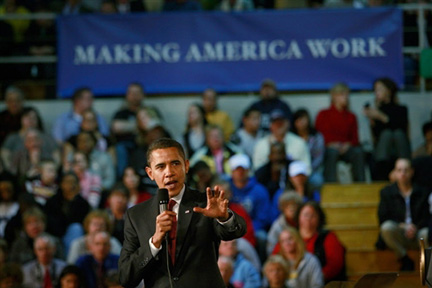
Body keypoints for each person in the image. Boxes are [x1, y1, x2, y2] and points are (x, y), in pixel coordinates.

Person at [118, 138, 246, 288]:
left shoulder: (206, 203)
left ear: (186, 166)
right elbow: (126, 277)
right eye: (161, 166)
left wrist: (224, 217)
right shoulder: (136, 215)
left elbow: (237, 230)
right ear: (150, 173)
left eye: (175, 163)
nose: (169, 172)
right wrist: (154, 242)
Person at [378, 158, 430, 271]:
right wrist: (403, 226)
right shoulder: (387, 192)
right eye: (399, 170)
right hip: (400, 231)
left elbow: (427, 217)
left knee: (427, 233)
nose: (403, 173)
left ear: (412, 172)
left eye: (406, 170)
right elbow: (383, 217)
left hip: (418, 232)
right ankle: (404, 257)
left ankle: (428, 267)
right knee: (386, 228)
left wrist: (415, 227)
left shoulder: (422, 192)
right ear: (395, 173)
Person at [315, 82, 366, 183]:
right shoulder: (323, 114)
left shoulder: (351, 116)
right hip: (329, 148)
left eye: (347, 94)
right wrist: (331, 144)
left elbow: (355, 139)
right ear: (334, 96)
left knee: (358, 152)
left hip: (346, 148)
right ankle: (331, 185)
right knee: (332, 153)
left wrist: (348, 145)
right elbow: (319, 136)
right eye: (342, 94)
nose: (346, 97)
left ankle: (361, 184)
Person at [364, 78, 411, 180]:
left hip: (400, 148)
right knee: (386, 134)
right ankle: (383, 176)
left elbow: (401, 128)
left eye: (380, 89)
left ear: (388, 91)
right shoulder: (375, 111)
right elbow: (376, 138)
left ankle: (403, 168)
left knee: (397, 133)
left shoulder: (401, 109)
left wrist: (381, 117)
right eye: (375, 90)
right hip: (382, 151)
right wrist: (372, 122)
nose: (376, 93)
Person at [296, 201, 346, 283]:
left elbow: (335, 265)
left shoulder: (329, 237)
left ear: (319, 218)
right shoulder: (290, 236)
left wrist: (316, 277)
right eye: (305, 215)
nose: (308, 219)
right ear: (298, 217)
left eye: (313, 215)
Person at [292, 108, 325, 190]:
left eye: (303, 119)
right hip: (294, 172)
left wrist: (308, 170)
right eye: (298, 120)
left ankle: (315, 202)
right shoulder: (291, 137)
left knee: (318, 180)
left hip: (312, 170)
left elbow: (318, 158)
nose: (301, 123)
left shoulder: (316, 136)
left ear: (308, 120)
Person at [267, 192, 302, 256]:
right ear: (282, 208)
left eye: (294, 205)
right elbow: (270, 249)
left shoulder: (304, 222)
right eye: (287, 205)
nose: (291, 208)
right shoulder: (277, 226)